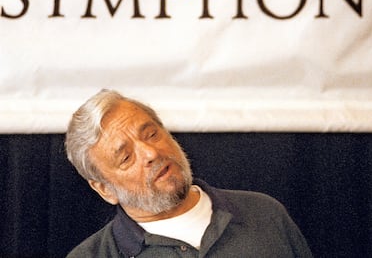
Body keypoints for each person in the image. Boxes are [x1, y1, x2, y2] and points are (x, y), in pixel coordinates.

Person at [65, 89, 313, 257]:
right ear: (105, 189)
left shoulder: (263, 213)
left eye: (152, 134)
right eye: (127, 157)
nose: (151, 153)